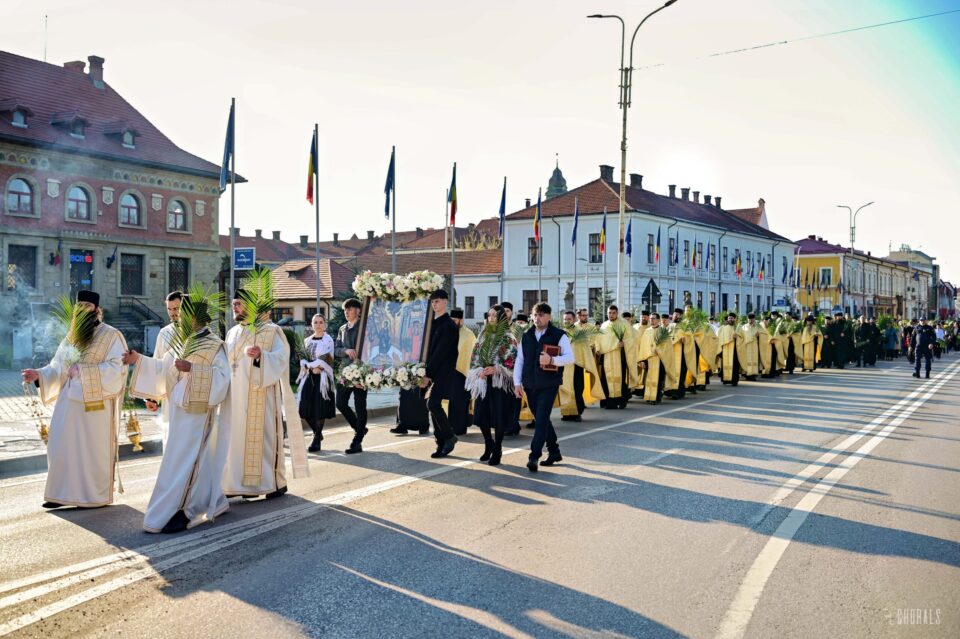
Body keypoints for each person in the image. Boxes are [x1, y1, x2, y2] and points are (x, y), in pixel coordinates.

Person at [126, 297, 231, 533]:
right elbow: (164, 367)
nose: (179, 318)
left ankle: (185, 510)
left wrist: (193, 369)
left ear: (197, 317)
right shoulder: (179, 340)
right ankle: (207, 501)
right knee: (175, 462)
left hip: (199, 415)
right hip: (176, 413)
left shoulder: (215, 345)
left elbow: (223, 380)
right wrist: (139, 360)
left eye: (184, 314)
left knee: (193, 462)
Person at [21, 291, 127, 509]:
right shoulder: (72, 336)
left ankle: (90, 497)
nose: (82, 310)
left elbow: (118, 369)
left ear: (97, 310)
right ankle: (59, 494)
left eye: (87, 306)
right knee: (59, 445)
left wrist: (84, 370)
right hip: (68, 403)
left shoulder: (111, 336)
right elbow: (57, 367)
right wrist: (39, 374)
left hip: (94, 407)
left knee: (89, 451)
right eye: (79, 306)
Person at [221, 293, 302, 499]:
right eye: (233, 305)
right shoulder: (231, 333)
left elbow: (282, 358)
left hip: (261, 395)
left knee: (263, 439)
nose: (235, 308)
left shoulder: (271, 331)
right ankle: (236, 484)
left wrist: (261, 356)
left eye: (238, 304)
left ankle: (273, 483)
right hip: (234, 398)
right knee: (234, 439)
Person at [514, 303, 575, 472]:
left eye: (541, 315)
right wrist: (517, 383)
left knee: (540, 419)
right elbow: (520, 360)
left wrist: (552, 360)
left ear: (549, 316)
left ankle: (534, 456)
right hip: (529, 384)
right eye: (535, 315)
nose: (537, 318)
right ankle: (554, 451)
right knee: (542, 419)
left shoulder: (559, 335)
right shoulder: (526, 336)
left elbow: (570, 358)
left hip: (549, 384)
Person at [465, 305, 517, 465]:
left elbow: (512, 359)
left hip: (498, 382)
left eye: (495, 316)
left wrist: (496, 369)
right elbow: (475, 355)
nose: (491, 318)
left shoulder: (509, 337)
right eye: (490, 315)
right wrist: (479, 370)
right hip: (484, 381)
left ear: (501, 318)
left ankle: (498, 449)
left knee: (498, 417)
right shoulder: (482, 335)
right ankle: (489, 444)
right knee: (481, 416)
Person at [421, 289, 460, 458]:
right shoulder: (432, 323)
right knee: (431, 405)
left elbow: (440, 353)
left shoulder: (449, 326)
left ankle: (449, 436)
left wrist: (428, 374)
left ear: (445, 302)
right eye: (432, 302)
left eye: (437, 301)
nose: (434, 305)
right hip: (431, 370)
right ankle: (441, 442)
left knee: (433, 404)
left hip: (443, 372)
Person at [297, 314, 336, 453]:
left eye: (321, 322)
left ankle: (316, 438)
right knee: (304, 408)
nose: (318, 325)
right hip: (309, 375)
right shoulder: (307, 340)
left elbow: (328, 357)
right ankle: (318, 433)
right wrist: (308, 366)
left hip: (322, 377)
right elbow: (302, 356)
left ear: (324, 324)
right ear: (312, 324)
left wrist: (317, 366)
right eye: (315, 322)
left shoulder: (328, 340)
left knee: (319, 408)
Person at [335, 298, 369, 453]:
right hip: (345, 372)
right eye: (345, 310)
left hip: (361, 372)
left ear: (358, 311)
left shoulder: (364, 328)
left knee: (360, 406)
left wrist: (362, 376)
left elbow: (370, 349)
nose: (346, 312)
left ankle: (357, 441)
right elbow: (336, 349)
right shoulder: (342, 328)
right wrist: (346, 351)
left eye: (349, 309)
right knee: (340, 403)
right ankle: (360, 428)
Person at [559, 310, 602, 421]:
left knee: (577, 389)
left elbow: (585, 349)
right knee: (564, 389)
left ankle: (577, 412)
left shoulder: (579, 333)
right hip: (563, 366)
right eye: (564, 319)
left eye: (568, 319)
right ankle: (566, 413)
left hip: (576, 365)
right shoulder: (560, 333)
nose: (566, 321)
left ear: (573, 319)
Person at [596, 304, 637, 408]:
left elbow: (631, 338)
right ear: (607, 313)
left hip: (620, 356)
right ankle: (608, 402)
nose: (611, 315)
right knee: (606, 379)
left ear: (617, 313)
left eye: (613, 313)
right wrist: (598, 349)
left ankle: (620, 401)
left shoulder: (623, 324)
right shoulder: (604, 325)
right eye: (609, 312)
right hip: (607, 357)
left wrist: (624, 343)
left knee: (619, 379)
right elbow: (598, 339)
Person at [447, 308, 477, 436]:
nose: (453, 322)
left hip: (463, 373)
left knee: (461, 401)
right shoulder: (448, 332)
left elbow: (472, 353)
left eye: (455, 320)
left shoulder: (468, 335)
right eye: (451, 320)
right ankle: (452, 426)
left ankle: (461, 427)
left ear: (461, 320)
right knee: (452, 401)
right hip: (450, 371)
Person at [638, 313, 671, 403]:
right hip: (648, 358)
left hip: (659, 358)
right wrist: (642, 360)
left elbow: (667, 346)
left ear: (658, 320)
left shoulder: (663, 331)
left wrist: (659, 350)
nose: (651, 320)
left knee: (658, 379)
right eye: (651, 319)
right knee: (648, 378)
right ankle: (648, 396)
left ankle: (656, 397)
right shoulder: (647, 331)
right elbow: (643, 346)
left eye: (653, 319)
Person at [716, 313, 743, 386]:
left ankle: (734, 380)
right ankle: (725, 379)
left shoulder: (738, 328)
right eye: (729, 318)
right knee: (725, 364)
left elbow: (743, 338)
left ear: (735, 319)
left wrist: (737, 337)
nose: (730, 319)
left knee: (734, 365)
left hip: (734, 349)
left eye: (732, 318)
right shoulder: (724, 328)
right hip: (725, 348)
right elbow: (720, 338)